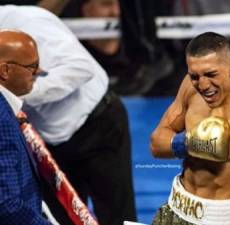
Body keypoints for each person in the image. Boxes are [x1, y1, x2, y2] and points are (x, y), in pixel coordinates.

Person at [0, 5, 136, 225]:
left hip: (97, 124)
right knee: (63, 219)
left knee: (118, 218)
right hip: (46, 142)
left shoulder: (27, 23)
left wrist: (17, 96)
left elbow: (81, 67)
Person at [150, 32, 230, 225]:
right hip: (174, 209)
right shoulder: (190, 87)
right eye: (195, 76)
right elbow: (156, 145)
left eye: (211, 74)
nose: (203, 85)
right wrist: (186, 144)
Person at [0, 29, 50, 225]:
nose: (38, 72)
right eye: (32, 66)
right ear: (5, 71)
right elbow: (5, 203)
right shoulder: (1, 118)